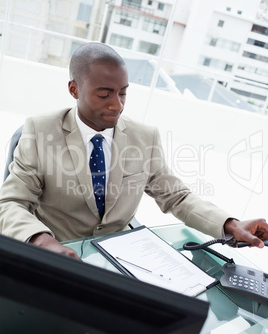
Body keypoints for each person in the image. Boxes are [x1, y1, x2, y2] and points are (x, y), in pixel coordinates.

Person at [0, 42, 268, 260]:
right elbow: (11, 202)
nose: (117, 105)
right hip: (58, 254)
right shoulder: (40, 131)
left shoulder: (144, 137)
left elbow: (177, 197)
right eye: (104, 95)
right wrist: (42, 241)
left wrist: (230, 225)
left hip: (121, 257)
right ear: (74, 89)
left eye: (123, 94)